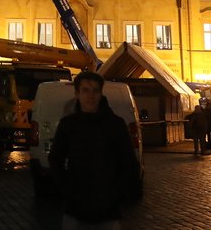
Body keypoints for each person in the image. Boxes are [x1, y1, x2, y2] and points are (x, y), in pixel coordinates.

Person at [48, 71, 141, 230]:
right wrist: (67, 188)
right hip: (76, 207)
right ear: (77, 94)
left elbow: (128, 162)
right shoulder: (68, 125)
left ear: (101, 93)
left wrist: (119, 193)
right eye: (85, 90)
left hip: (108, 208)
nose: (90, 96)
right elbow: (55, 158)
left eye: (95, 91)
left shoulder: (115, 124)